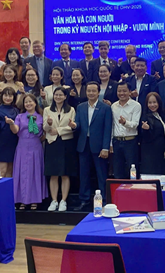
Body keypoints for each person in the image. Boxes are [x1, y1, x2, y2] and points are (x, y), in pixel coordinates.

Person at [71, 81, 113, 211]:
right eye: (88, 91)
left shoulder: (105, 108)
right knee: (84, 175)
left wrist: (105, 147)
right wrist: (74, 126)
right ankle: (84, 200)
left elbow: (107, 129)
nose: (91, 93)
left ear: (98, 92)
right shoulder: (80, 107)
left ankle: (104, 201)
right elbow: (78, 124)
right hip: (83, 145)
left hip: (99, 146)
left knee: (101, 175)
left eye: (93, 91)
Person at [8, 93, 46, 209]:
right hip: (22, 147)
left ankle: (35, 199)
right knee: (23, 172)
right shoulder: (20, 117)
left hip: (36, 147)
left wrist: (39, 140)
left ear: (35, 103)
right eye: (26, 102)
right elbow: (15, 130)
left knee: (35, 173)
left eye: (30, 101)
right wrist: (11, 123)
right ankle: (22, 199)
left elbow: (45, 133)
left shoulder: (41, 117)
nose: (28, 104)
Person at [44, 87, 77, 212]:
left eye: (60, 95)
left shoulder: (71, 109)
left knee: (65, 173)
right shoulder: (47, 109)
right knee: (53, 173)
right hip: (52, 143)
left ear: (65, 97)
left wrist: (58, 130)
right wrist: (49, 124)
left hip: (66, 143)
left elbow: (72, 127)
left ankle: (63, 200)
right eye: (56, 95)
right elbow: (45, 128)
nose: (58, 97)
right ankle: (54, 201)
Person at [110, 82, 141, 178]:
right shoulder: (113, 106)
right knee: (117, 170)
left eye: (124, 91)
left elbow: (135, 124)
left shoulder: (136, 105)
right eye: (119, 91)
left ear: (130, 92)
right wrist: (110, 143)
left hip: (130, 141)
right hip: (116, 141)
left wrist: (125, 123)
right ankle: (119, 187)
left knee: (132, 169)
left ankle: (133, 186)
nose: (121, 93)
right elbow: (112, 126)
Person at [140, 92, 165, 175]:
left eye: (154, 102)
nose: (152, 105)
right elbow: (145, 137)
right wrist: (146, 130)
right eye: (150, 103)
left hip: (161, 151)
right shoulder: (145, 117)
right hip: (150, 153)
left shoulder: (163, 115)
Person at [0, 87, 19, 178]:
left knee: (10, 171)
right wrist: (0, 126)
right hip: (2, 141)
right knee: (2, 171)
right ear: (2, 96)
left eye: (10, 96)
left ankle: (9, 187)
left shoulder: (16, 110)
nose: (8, 98)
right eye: (5, 95)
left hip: (13, 140)